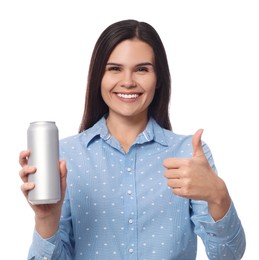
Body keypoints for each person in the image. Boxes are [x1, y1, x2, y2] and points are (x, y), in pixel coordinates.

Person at [19, 19, 246, 260]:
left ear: (158, 79)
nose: (127, 81)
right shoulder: (67, 155)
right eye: (115, 68)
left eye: (142, 69)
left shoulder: (188, 155)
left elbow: (228, 256)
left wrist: (219, 196)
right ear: (99, 77)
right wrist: (45, 220)